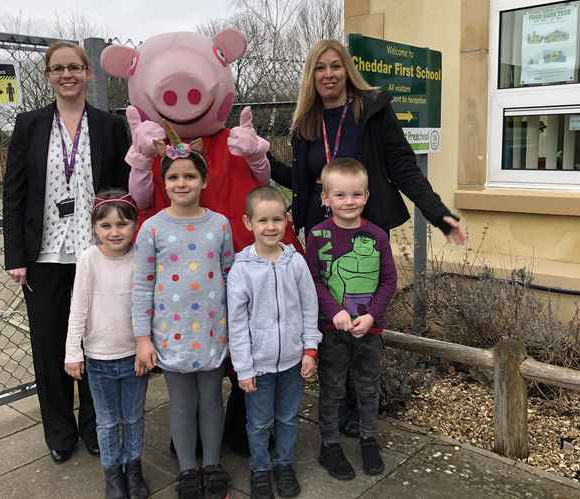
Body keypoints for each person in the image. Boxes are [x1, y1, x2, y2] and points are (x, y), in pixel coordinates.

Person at [269, 38, 466, 437]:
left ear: (347, 70)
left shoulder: (371, 111)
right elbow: (302, 183)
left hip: (363, 234)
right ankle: (338, 405)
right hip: (323, 236)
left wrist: (439, 214)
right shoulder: (305, 123)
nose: (328, 74)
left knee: (366, 323)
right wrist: (264, 160)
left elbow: (403, 167)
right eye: (320, 68)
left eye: (335, 66)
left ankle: (364, 409)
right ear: (312, 75)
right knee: (330, 323)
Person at [3, 41, 131, 463]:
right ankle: (60, 432)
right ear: (47, 76)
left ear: (88, 73)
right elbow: (14, 193)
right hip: (45, 258)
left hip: (96, 254)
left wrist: (121, 243)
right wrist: (16, 255)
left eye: (74, 67)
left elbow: (120, 191)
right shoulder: (29, 125)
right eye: (58, 69)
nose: (67, 75)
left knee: (97, 343)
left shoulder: (109, 126)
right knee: (51, 345)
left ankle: (96, 426)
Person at [131, 146, 233, 499]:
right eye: (173, 177)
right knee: (181, 403)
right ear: (164, 183)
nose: (181, 182)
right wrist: (143, 339)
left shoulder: (220, 225)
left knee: (211, 400)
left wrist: (234, 329)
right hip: (171, 335)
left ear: (204, 180)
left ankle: (212, 464)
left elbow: (228, 276)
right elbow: (142, 286)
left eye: (190, 176)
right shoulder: (152, 229)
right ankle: (188, 468)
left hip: (212, 331)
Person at [227, 186, 321, 499]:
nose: (270, 226)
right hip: (259, 365)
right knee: (258, 422)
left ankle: (283, 464)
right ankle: (261, 469)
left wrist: (310, 349)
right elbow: (237, 324)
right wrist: (243, 368)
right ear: (247, 222)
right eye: (263, 220)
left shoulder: (295, 263)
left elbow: (309, 307)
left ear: (286, 221)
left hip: (294, 361)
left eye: (277, 219)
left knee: (288, 418)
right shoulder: (241, 270)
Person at [305, 158, 397, 480]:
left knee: (368, 387)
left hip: (369, 330)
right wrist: (335, 311)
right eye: (340, 195)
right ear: (325, 198)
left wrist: (372, 315)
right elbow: (313, 280)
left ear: (367, 196)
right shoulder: (316, 235)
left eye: (356, 195)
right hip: (332, 330)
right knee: (331, 388)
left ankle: (369, 438)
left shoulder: (377, 236)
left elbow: (389, 281)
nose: (349, 202)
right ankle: (329, 444)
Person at [64, 190, 149, 499]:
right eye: (106, 225)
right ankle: (113, 473)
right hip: (99, 358)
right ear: (94, 228)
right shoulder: (89, 259)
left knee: (135, 416)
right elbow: (79, 307)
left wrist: (147, 345)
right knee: (108, 420)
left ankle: (134, 469)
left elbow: (149, 305)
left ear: (135, 225)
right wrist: (73, 351)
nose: (115, 232)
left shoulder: (141, 257)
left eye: (123, 224)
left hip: (134, 356)